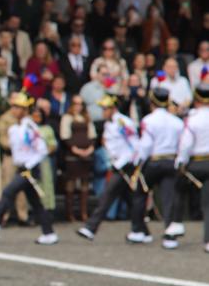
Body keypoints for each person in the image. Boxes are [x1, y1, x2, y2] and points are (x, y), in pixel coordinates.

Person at [0, 91, 58, 245]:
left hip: (29, 169)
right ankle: (48, 232)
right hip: (21, 167)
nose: (14, 110)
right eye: (14, 107)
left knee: (9, 191)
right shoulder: (14, 128)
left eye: (18, 107)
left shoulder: (30, 127)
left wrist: (29, 165)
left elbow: (42, 149)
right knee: (36, 202)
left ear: (25, 110)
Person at [77, 95, 140, 242]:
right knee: (132, 199)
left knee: (107, 195)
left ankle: (91, 227)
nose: (103, 112)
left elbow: (134, 144)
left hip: (125, 165)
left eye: (106, 109)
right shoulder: (109, 124)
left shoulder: (122, 122)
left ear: (113, 108)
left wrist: (127, 163)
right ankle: (141, 229)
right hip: (117, 164)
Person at [131, 88, 184, 249]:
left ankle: (138, 230)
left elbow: (145, 145)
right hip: (171, 161)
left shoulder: (149, 120)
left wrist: (137, 161)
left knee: (140, 193)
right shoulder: (177, 121)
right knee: (168, 198)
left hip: (154, 162)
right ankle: (170, 235)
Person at [176, 83, 209, 253]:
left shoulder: (192, 119)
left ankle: (175, 224)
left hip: (196, 162)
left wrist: (181, 161)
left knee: (178, 187)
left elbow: (186, 145)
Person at [60, 95, 96, 222]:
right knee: (71, 183)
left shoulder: (86, 118)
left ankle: (83, 212)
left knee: (84, 183)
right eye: (76, 103)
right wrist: (76, 150)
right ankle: (70, 213)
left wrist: (89, 149)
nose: (78, 106)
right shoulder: (67, 118)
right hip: (72, 155)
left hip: (86, 155)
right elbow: (65, 136)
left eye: (80, 104)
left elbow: (92, 136)